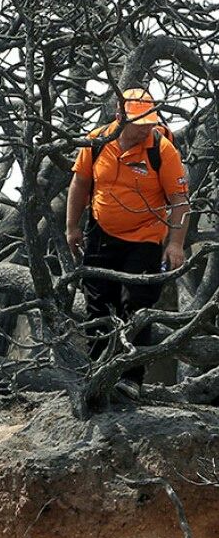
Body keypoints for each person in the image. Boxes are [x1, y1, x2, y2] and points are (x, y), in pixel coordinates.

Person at [65, 88, 190, 399]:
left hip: (145, 237)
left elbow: (179, 200)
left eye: (150, 121)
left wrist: (175, 244)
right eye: (139, 122)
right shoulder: (96, 142)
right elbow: (80, 183)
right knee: (97, 304)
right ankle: (98, 371)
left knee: (137, 305)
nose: (146, 127)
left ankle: (131, 378)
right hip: (101, 233)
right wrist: (71, 227)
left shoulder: (161, 149)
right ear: (120, 118)